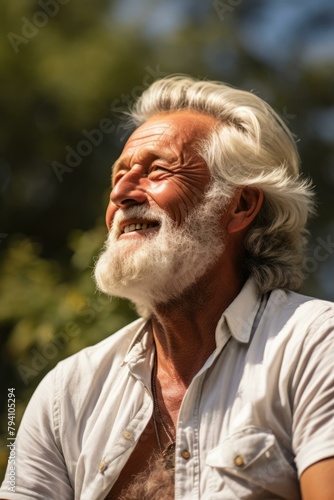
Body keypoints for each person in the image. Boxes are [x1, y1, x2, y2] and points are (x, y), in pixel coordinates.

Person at [1, 76, 334, 500]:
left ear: (241, 205)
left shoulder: (316, 344)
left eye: (157, 169)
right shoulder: (64, 392)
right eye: (119, 175)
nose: (121, 192)